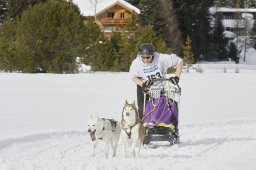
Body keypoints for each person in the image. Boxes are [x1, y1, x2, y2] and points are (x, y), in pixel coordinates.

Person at [129, 43, 183, 119]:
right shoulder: (136, 63)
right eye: (143, 57)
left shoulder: (160, 58)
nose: (145, 60)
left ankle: (161, 126)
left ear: (152, 55)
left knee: (161, 108)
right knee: (143, 110)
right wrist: (142, 84)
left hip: (160, 86)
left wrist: (177, 77)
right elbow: (133, 77)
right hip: (144, 85)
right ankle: (144, 127)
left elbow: (179, 61)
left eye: (148, 57)